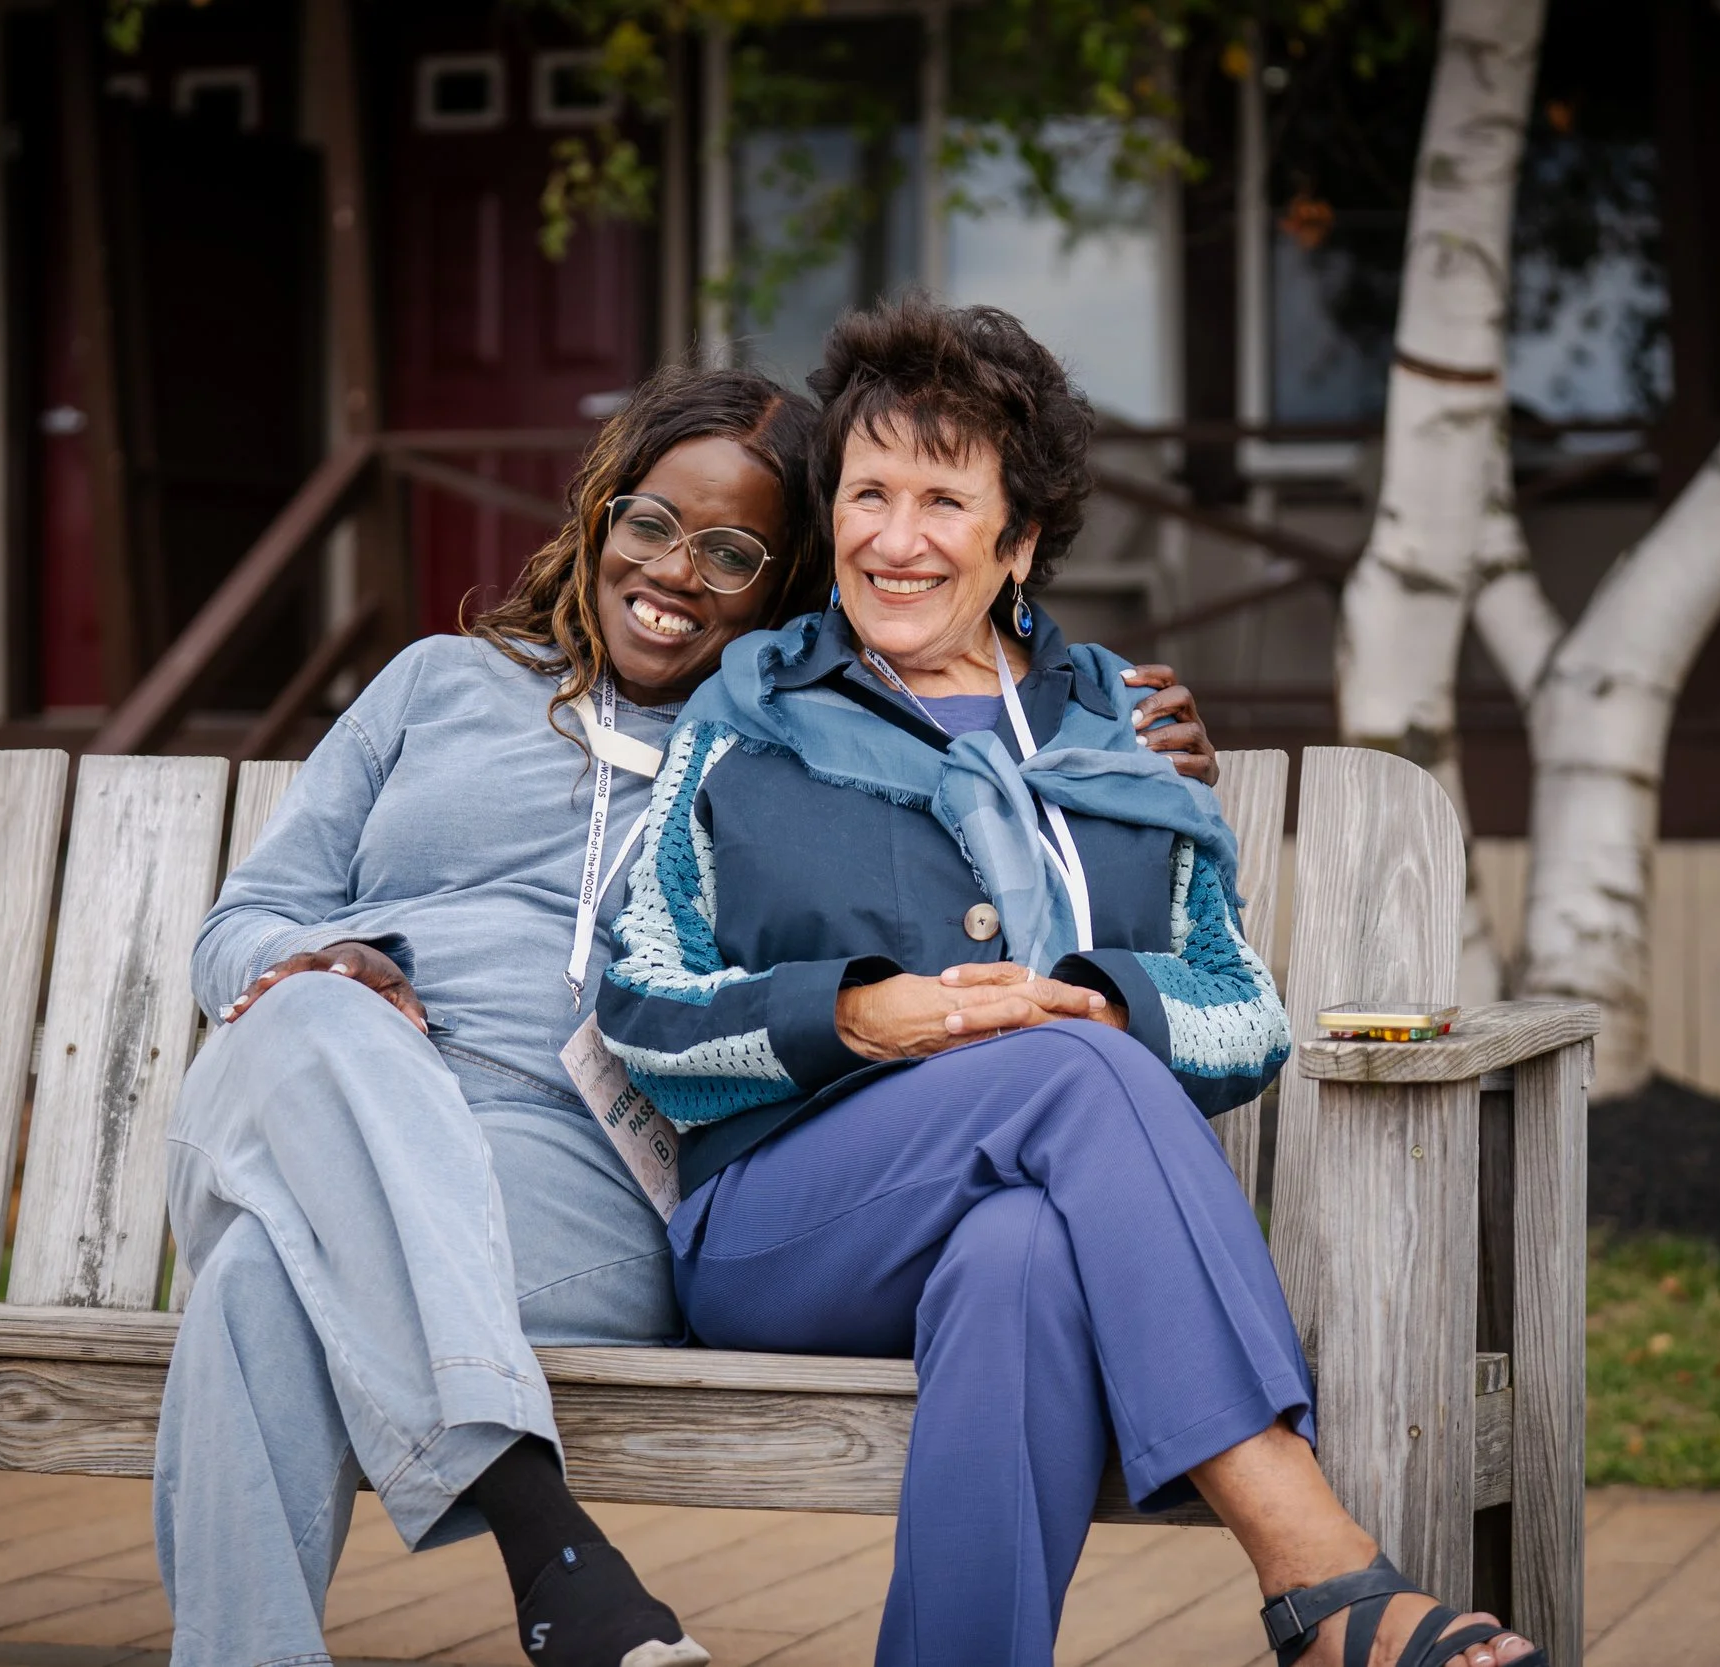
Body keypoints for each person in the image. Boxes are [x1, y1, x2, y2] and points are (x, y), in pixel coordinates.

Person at [155, 360, 1222, 1667]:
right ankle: (550, 1541)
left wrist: (1113, 764)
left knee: (271, 1267)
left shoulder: (792, 748)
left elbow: (999, 885)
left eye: (733, 552)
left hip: (572, 1205)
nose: (674, 572)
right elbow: (239, 933)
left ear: (784, 588)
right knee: (309, 1021)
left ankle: (514, 1568)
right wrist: (347, 961)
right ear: (603, 512)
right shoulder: (435, 683)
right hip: (337, 1099)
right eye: (653, 522)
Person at [597, 299, 1543, 1667]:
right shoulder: (747, 722)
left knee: (1026, 1256)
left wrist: (1113, 1006)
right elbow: (644, 1004)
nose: (893, 536)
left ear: (1018, 538)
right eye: (867, 492)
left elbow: (1240, 1009)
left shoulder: (1116, 728)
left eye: (942, 497)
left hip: (1029, 1207)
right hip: (784, 1225)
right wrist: (861, 1013)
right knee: (1069, 1065)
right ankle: (1319, 1573)